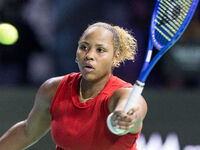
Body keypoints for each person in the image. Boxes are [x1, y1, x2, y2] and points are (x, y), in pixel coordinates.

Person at [0, 22, 147, 150]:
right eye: (84, 47)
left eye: (100, 50)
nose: (89, 55)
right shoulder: (53, 89)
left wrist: (125, 116)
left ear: (115, 57)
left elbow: (134, 108)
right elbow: (27, 132)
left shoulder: (122, 94)